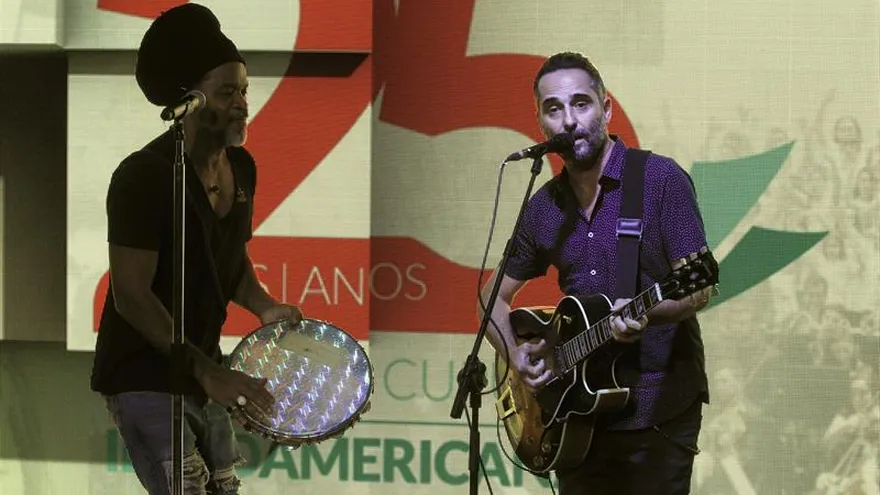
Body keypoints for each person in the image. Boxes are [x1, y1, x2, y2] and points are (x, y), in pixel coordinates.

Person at [479, 51, 716, 494]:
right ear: (541, 124)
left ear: (605, 109)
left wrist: (653, 313)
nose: (569, 120)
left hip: (657, 412)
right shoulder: (544, 208)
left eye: (581, 103)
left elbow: (700, 285)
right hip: (576, 420)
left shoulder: (661, 180)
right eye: (554, 109)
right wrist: (515, 354)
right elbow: (492, 299)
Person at [89, 4, 303, 494]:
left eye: (244, 90)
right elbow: (132, 295)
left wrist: (263, 305)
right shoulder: (143, 176)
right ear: (189, 100)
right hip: (146, 373)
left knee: (223, 488)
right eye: (227, 92)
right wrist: (207, 373)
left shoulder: (241, 167)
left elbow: (230, 260)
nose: (242, 104)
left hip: (203, 368)